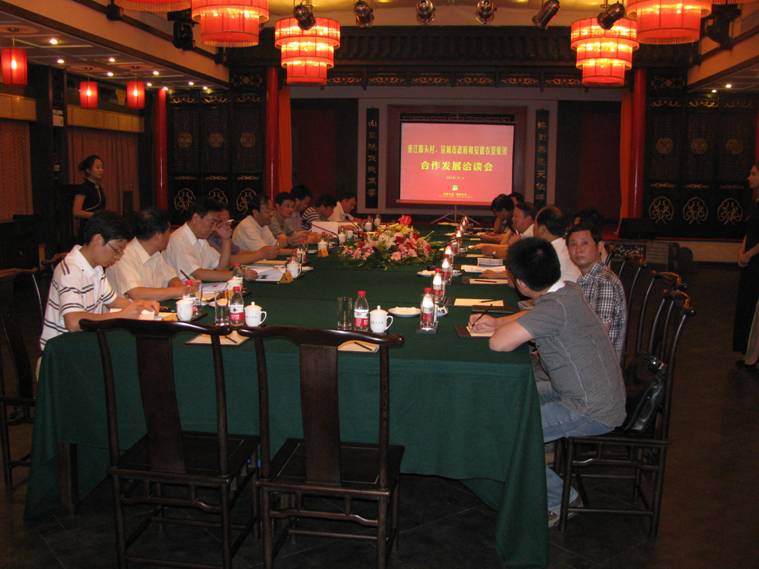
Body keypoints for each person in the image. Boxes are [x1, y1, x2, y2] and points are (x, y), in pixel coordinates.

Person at [469, 238, 625, 526]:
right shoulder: (567, 290)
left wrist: (499, 329)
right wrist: (498, 321)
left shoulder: (555, 307)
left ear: (520, 283)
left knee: (507, 433)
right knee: (519, 397)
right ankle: (530, 472)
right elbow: (533, 313)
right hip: (585, 393)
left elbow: (499, 344)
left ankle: (561, 499)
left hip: (590, 409)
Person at [40, 211, 158, 350]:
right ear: (98, 240)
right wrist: (121, 315)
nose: (118, 257)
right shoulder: (70, 271)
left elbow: (113, 301)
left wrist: (141, 305)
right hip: (63, 349)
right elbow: (73, 322)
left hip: (85, 342)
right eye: (117, 250)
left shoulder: (96, 268)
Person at [567, 222, 627, 360]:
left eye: (585, 243)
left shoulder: (604, 282)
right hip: (585, 357)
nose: (578, 250)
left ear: (599, 246)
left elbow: (598, 335)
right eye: (573, 244)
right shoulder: (585, 279)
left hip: (597, 365)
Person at [165, 198, 257, 282]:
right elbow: (198, 274)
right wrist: (237, 274)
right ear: (196, 218)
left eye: (216, 223)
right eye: (212, 222)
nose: (214, 228)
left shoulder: (201, 239)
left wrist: (226, 239)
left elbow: (222, 267)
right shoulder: (178, 239)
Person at [106, 208, 186, 301]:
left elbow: (172, 278)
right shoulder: (123, 255)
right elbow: (136, 293)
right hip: (126, 309)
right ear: (158, 236)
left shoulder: (155, 253)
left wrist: (177, 287)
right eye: (168, 231)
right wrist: (179, 291)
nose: (170, 235)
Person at [734, 162, 759, 359]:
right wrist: (741, 252)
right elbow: (749, 232)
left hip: (757, 262)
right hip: (750, 261)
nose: (749, 177)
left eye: (753, 174)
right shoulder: (755, 201)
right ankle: (747, 352)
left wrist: (749, 254)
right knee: (746, 305)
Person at [209, 207, 279, 264]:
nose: (227, 225)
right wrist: (261, 254)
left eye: (228, 221)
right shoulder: (209, 239)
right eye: (220, 221)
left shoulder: (220, 236)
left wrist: (261, 252)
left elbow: (239, 252)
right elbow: (228, 261)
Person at [534, 206, 581, 283]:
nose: (533, 229)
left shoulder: (549, 253)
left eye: (535, 225)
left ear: (542, 230)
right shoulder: (566, 246)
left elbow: (533, 284)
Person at [72, 155, 106, 240]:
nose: (101, 170)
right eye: (97, 167)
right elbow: (76, 212)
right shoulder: (83, 188)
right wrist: (97, 215)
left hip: (98, 227)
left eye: (102, 167)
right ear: (88, 170)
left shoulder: (98, 187)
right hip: (87, 229)